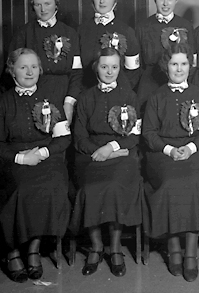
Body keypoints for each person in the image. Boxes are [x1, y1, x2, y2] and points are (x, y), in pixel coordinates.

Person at [0, 48, 71, 283]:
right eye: (23, 67)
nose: (29, 72)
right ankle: (13, 251)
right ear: (12, 70)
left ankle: (34, 248)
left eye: (34, 67)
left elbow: (63, 138)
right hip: (14, 159)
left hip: (47, 157)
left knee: (52, 185)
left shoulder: (51, 99)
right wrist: (22, 158)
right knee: (21, 189)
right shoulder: (2, 103)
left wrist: (43, 153)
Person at [143, 42, 199, 282]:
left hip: (192, 153)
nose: (179, 69)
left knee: (194, 182)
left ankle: (191, 253)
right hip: (162, 155)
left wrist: (190, 148)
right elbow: (149, 133)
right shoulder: (156, 97)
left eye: (184, 64)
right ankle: (174, 248)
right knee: (171, 184)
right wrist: (170, 150)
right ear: (166, 66)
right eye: (174, 64)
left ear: (190, 66)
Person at [71, 47, 143, 277]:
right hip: (91, 155)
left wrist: (110, 148)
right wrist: (98, 151)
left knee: (114, 186)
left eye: (114, 67)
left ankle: (115, 246)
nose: (109, 71)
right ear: (96, 68)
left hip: (121, 152)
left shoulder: (129, 96)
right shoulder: (86, 97)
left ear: (120, 68)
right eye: (104, 67)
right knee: (91, 187)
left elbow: (134, 135)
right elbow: (79, 137)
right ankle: (96, 246)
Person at [6, 0, 82, 121]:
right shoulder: (23, 34)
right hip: (32, 99)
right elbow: (11, 71)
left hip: (63, 97)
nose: (43, 9)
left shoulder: (70, 33)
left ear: (56, 3)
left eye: (47, 3)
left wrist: (69, 102)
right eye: (37, 4)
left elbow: (76, 73)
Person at [136, 0, 195, 110]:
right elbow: (137, 64)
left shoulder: (185, 26)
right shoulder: (142, 26)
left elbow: (192, 62)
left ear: (176, 0)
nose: (165, 3)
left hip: (178, 83)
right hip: (149, 84)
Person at [78, 0, 141, 91]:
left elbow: (133, 71)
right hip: (87, 93)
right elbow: (77, 72)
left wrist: (120, 92)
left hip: (118, 93)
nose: (102, 1)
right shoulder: (81, 31)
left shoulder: (126, 31)